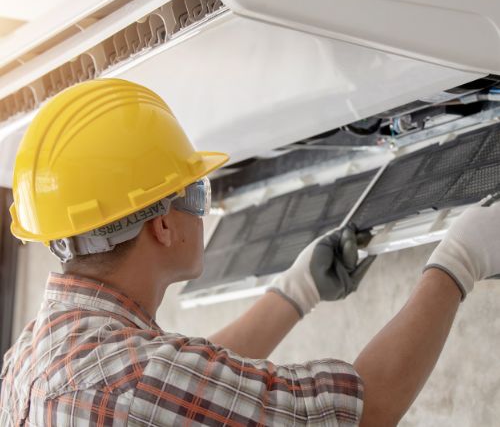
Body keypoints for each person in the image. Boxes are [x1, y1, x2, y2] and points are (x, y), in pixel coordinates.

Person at [0, 79, 498, 426]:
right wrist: (460, 258)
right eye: (196, 192)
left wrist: (295, 293)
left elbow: (186, 394)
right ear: (164, 225)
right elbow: (365, 413)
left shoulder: (32, 356)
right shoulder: (133, 379)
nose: (203, 209)